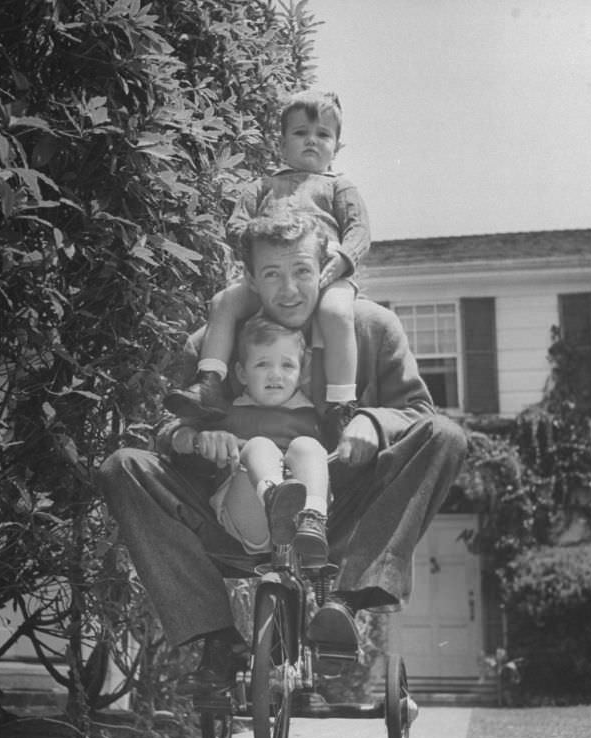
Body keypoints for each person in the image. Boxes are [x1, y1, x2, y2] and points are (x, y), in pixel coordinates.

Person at [98, 211, 467, 694]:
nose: (289, 290)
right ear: (250, 278)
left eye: (302, 272)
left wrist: (372, 422)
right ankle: (217, 639)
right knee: (123, 467)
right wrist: (192, 440)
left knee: (446, 437)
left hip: (336, 514)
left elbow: (419, 411)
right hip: (237, 504)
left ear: (325, 270)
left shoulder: (371, 328)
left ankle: (345, 605)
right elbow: (166, 428)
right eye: (272, 274)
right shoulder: (215, 342)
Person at [165, 89, 370, 444]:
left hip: (325, 271)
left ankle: (340, 405)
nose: (312, 141)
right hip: (273, 273)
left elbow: (359, 230)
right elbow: (236, 225)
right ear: (282, 143)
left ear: (335, 146)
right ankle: (210, 382)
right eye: (301, 133)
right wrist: (262, 242)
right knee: (224, 302)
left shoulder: (339, 187)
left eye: (323, 134)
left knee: (337, 314)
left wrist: (342, 260)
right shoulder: (262, 186)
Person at [172, 314, 331, 567]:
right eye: (262, 364)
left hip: (302, 521)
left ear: (302, 373)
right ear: (242, 373)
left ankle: (313, 519)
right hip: (248, 511)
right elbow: (176, 437)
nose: (275, 375)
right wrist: (196, 439)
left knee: (308, 447)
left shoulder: (313, 414)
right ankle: (274, 498)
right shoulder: (228, 412)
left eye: (287, 365)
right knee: (259, 446)